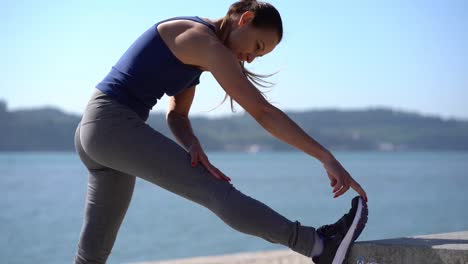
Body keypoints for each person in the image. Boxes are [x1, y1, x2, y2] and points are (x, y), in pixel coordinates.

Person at [73, 1, 369, 263]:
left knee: (92, 254)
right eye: (256, 47)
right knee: (217, 194)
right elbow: (264, 113)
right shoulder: (204, 43)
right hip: (111, 127)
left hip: (98, 131)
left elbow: (177, 115)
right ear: (246, 19)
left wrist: (192, 144)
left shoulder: (198, 48)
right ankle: (318, 246)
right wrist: (325, 156)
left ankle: (318, 246)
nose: (250, 59)